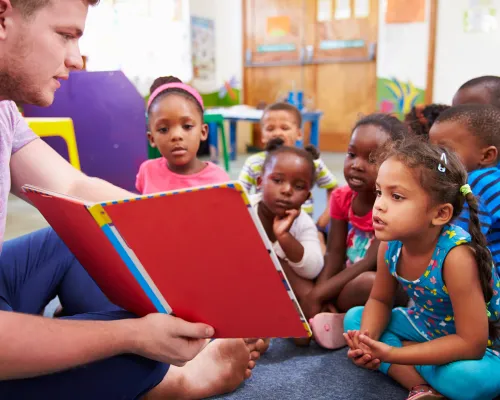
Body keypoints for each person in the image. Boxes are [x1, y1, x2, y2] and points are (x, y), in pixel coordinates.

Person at [0, 1, 262, 398]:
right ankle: (179, 383)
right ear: (3, 18)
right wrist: (131, 336)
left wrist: (195, 238)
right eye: (65, 35)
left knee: (87, 231)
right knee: (144, 352)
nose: (77, 60)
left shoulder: (4, 108)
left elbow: (74, 188)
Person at [343, 139, 500, 400]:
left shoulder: (456, 257)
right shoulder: (390, 245)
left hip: (481, 344)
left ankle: (411, 359)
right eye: (380, 192)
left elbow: (471, 344)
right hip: (425, 325)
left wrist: (393, 354)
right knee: (355, 319)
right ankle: (422, 385)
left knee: (474, 381)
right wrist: (368, 342)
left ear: (440, 214)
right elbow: (380, 300)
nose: (379, 205)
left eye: (397, 196)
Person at [300, 114, 408, 350]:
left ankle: (340, 316)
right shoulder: (342, 197)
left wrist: (318, 295)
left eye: (371, 159)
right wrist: (320, 291)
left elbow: (371, 262)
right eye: (351, 154)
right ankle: (335, 313)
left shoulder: (393, 206)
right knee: (301, 273)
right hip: (348, 276)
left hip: (385, 285)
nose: (356, 164)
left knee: (366, 283)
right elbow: (335, 252)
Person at [238, 102, 337, 249]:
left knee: (318, 255)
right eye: (270, 128)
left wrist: (324, 219)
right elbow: (239, 193)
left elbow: (334, 188)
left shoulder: (312, 162)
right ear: (263, 136)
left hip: (301, 229)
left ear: (298, 133)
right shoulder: (254, 162)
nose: (277, 133)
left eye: (284, 128)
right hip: (263, 230)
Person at [429, 104, 500, 268]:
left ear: (487, 155)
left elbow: (457, 241)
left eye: (444, 150)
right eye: (431, 150)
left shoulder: (479, 182)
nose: (434, 159)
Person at [136, 76, 229, 194]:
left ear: (203, 132)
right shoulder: (147, 171)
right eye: (164, 129)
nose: (176, 135)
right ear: (152, 138)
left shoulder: (218, 180)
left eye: (187, 126)